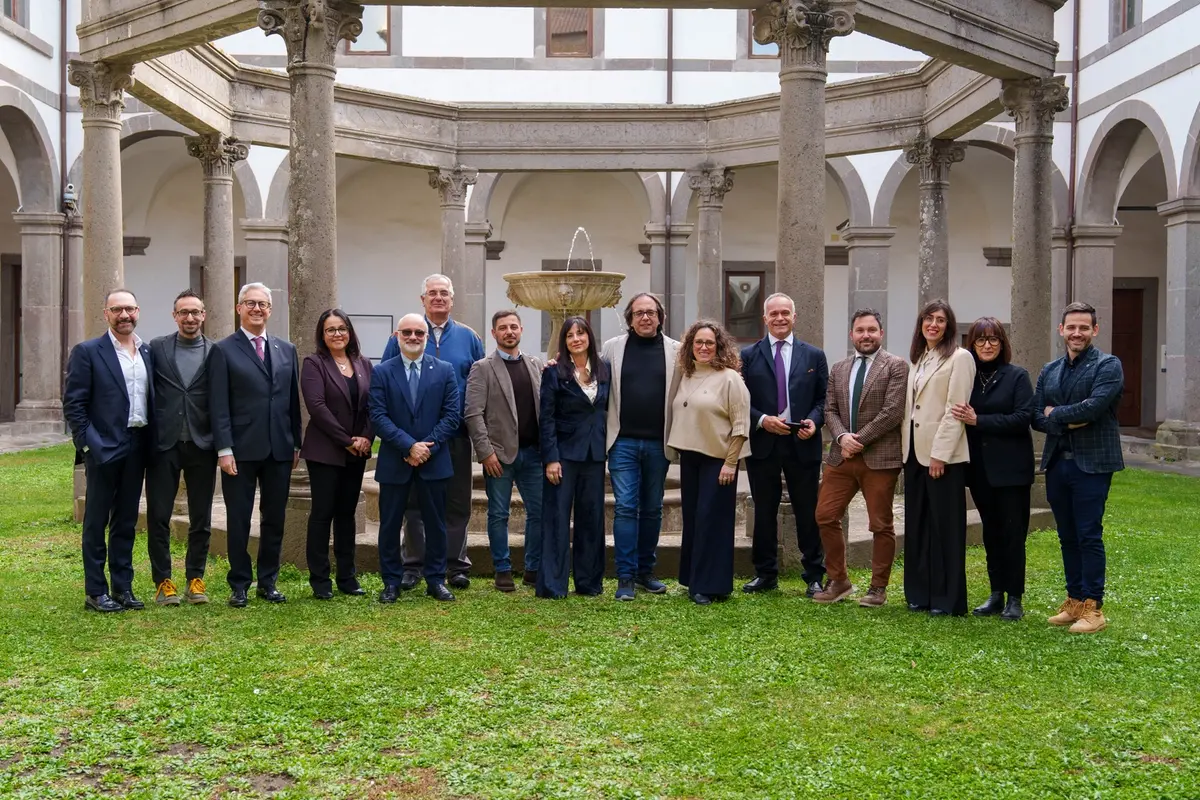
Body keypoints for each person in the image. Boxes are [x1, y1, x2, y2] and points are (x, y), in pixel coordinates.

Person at [382, 274, 484, 591]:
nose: (438, 297)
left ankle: (455, 565)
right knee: (413, 504)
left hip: (454, 435)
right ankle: (413, 564)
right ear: (422, 299)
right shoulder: (403, 334)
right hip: (410, 441)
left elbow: (479, 383)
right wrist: (407, 442)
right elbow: (386, 383)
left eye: (444, 293)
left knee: (457, 502)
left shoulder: (469, 337)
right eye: (432, 293)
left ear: (452, 299)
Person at [1032, 301, 1124, 635]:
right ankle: (1073, 601)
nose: (1077, 333)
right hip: (1058, 463)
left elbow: (1094, 408)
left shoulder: (1108, 365)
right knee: (1067, 535)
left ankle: (1093, 608)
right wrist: (1068, 418)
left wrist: (1055, 413)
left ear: (1094, 330)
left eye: (1084, 327)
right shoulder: (1050, 369)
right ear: (1062, 330)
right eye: (1071, 327)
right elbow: (1035, 415)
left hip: (1093, 465)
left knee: (1088, 534)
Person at [209, 282, 302, 608]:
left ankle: (268, 581)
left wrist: (295, 444)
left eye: (263, 304)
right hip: (240, 450)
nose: (257, 309)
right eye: (250, 303)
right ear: (239, 309)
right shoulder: (223, 350)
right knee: (238, 518)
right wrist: (224, 448)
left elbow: (292, 401)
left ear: (270, 310)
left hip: (279, 448)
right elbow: (218, 404)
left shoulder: (286, 349)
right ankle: (239, 584)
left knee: (274, 518)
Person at [64, 289, 155, 612]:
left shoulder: (147, 352)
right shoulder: (88, 352)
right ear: (106, 314)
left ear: (138, 311)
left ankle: (122, 588)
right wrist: (89, 445)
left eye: (129, 308)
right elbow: (74, 404)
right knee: (96, 521)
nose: (124, 315)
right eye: (117, 309)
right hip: (102, 447)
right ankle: (95, 591)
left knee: (126, 521)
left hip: (138, 444)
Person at [812, 309, 909, 607]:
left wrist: (859, 440)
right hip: (841, 457)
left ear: (881, 333)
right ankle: (839, 580)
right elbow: (829, 409)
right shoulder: (839, 368)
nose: (866, 335)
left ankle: (878, 588)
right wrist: (843, 437)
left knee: (880, 524)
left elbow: (892, 412)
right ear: (851, 334)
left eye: (871, 330)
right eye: (860, 330)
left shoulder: (896, 366)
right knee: (825, 515)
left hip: (879, 458)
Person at [740, 292, 828, 595]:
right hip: (764, 442)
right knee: (764, 510)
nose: (780, 318)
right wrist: (763, 420)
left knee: (807, 510)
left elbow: (824, 399)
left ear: (794, 317)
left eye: (785, 313)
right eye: (774, 314)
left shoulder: (814, 355)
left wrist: (814, 422)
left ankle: (814, 574)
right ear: (765, 318)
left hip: (802, 441)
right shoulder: (747, 356)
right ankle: (765, 574)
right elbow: (740, 400)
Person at [371, 314, 462, 603]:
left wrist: (425, 449)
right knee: (389, 525)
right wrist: (409, 446)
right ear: (397, 336)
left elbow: (452, 415)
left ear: (427, 337)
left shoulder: (444, 370)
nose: (413, 337)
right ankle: (391, 582)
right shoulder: (382, 372)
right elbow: (378, 416)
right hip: (395, 461)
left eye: (419, 333)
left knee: (436, 524)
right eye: (407, 332)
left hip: (433, 462)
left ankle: (436, 580)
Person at [951, 317, 1034, 621]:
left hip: (1011, 471)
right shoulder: (967, 378)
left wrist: (979, 421)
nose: (987, 345)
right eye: (980, 340)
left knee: (1013, 534)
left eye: (993, 339)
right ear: (971, 344)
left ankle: (1015, 598)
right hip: (980, 471)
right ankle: (996, 593)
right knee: (991, 533)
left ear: (1002, 343)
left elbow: (1022, 418)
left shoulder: (1017, 376)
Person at [601, 293, 680, 600]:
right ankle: (625, 577)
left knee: (652, 508)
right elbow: (593, 380)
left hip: (659, 442)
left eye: (651, 312)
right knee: (625, 507)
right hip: (622, 441)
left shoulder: (676, 350)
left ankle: (646, 571)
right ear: (630, 319)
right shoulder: (612, 348)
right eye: (639, 313)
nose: (645, 317)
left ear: (660, 317)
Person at [667, 321, 750, 605]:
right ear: (690, 346)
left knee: (711, 521)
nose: (703, 347)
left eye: (709, 343)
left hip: (719, 460)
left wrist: (731, 463)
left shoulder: (730, 378)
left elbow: (741, 425)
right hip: (690, 459)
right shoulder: (686, 375)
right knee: (693, 520)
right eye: (698, 342)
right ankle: (692, 579)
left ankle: (710, 585)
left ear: (719, 347)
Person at [902, 299, 976, 617]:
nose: (933, 324)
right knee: (918, 525)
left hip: (941, 456)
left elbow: (955, 411)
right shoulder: (919, 358)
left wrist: (940, 455)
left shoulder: (960, 358)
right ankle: (920, 593)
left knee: (945, 527)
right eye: (929, 318)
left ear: (949, 326)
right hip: (913, 453)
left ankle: (948, 599)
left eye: (941, 320)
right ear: (921, 323)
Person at [145, 290, 217, 607]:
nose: (190, 318)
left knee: (201, 517)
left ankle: (195, 580)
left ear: (204, 315)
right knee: (158, 515)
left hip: (203, 444)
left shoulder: (216, 352)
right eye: (183, 312)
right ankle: (163, 582)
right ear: (174, 316)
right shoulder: (156, 348)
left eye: (195, 312)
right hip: (165, 444)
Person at [464, 310, 544, 592]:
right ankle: (502, 569)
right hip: (498, 456)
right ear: (494, 333)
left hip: (534, 454)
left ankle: (533, 569)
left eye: (513, 326)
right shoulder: (482, 368)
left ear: (521, 329)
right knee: (498, 515)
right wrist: (485, 453)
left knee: (539, 513)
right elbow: (473, 414)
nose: (509, 331)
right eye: (503, 328)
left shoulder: (535, 364)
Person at [300, 309, 374, 600]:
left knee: (346, 514)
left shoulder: (363, 363)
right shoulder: (314, 364)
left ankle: (347, 577)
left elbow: (373, 404)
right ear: (322, 334)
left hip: (357, 451)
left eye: (342, 328)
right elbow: (316, 407)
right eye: (330, 329)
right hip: (325, 451)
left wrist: (366, 437)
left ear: (350, 331)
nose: (337, 334)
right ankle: (320, 580)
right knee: (322, 514)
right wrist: (345, 441)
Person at [538, 316, 610, 599]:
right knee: (556, 518)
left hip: (594, 455)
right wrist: (551, 458)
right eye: (570, 335)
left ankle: (589, 582)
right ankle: (553, 585)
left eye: (581, 333)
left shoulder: (604, 369)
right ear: (564, 341)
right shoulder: (553, 372)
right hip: (563, 456)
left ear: (589, 337)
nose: (576, 339)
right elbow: (546, 418)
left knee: (591, 518)